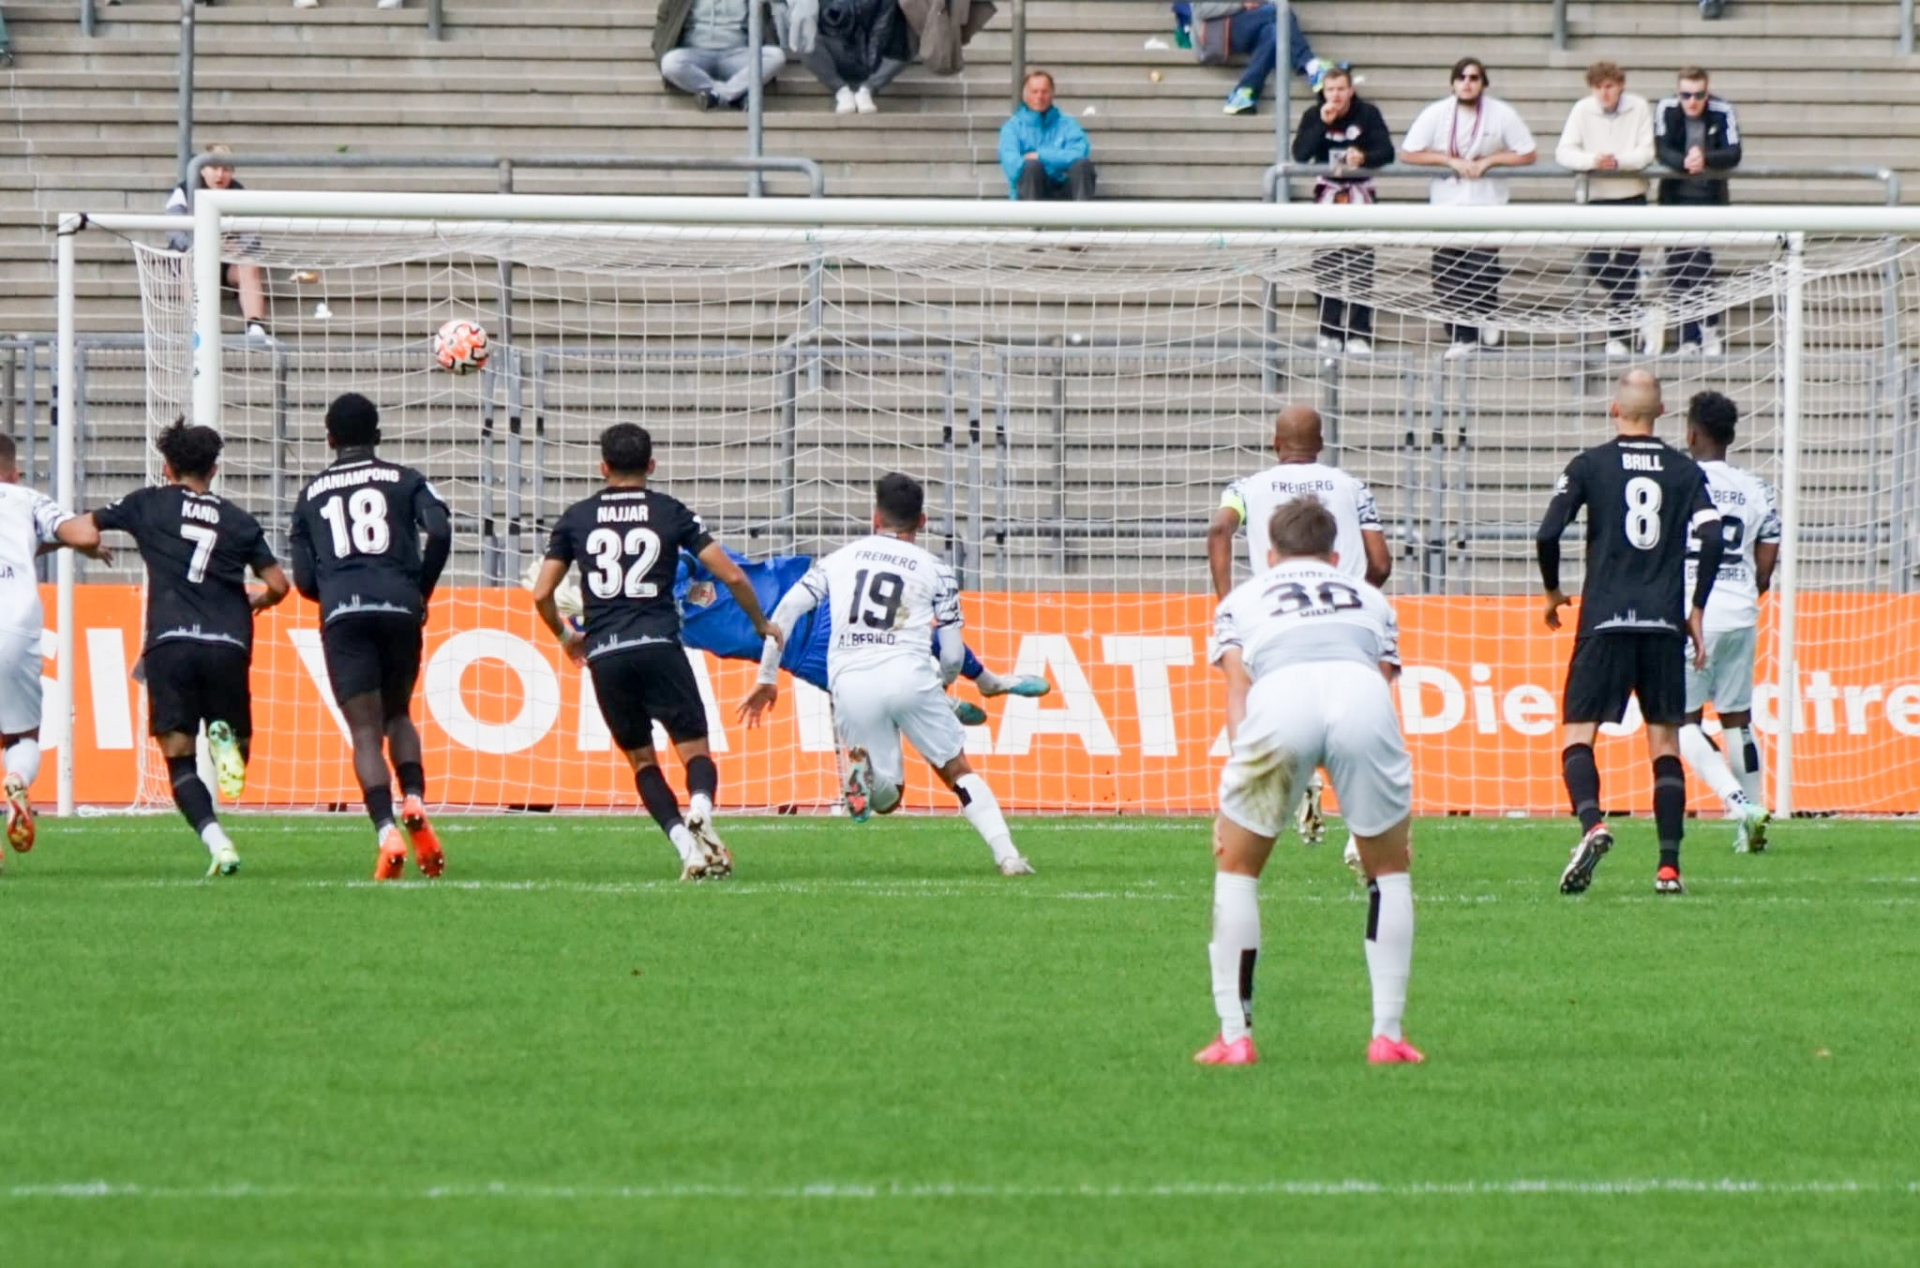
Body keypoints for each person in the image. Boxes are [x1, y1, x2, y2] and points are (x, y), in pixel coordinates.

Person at [1196, 497, 1421, 1067]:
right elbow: (1382, 679)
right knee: (1390, 871)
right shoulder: (1373, 599)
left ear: (1271, 555)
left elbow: (1238, 688)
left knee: (1237, 868)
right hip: (1362, 696)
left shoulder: (1241, 599)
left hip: (1281, 697)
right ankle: (1387, 1036)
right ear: (1336, 555)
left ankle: (1235, 1036)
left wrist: (1239, 778)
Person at [738, 473, 1035, 877]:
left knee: (887, 798)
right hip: (909, 676)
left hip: (850, 682)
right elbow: (951, 655)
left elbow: (786, 611)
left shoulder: (839, 559)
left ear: (875, 517)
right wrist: (941, 685)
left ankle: (864, 775)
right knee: (956, 771)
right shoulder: (937, 570)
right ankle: (1008, 856)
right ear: (923, 521)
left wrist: (767, 676)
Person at [531, 424, 775, 882]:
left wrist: (567, 638)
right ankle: (700, 808)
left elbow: (542, 593)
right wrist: (761, 624)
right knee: (695, 750)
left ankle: (687, 850)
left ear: (602, 467)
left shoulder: (576, 518)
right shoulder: (669, 511)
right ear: (651, 465)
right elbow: (734, 576)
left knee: (642, 762)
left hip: (606, 653)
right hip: (660, 646)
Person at [1536, 369, 1724, 897]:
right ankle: (1668, 868)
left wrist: (1552, 591)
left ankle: (1592, 823)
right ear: (1662, 413)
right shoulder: (1684, 470)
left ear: (1614, 410)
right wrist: (1696, 609)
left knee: (1579, 735)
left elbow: (1548, 532)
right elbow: (1712, 536)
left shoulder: (1590, 464)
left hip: (1605, 620)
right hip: (1662, 623)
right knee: (1664, 743)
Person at [79, 422, 290, 877]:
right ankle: (226, 744)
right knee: (236, 752)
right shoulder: (239, 520)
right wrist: (259, 600)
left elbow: (83, 527)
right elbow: (278, 583)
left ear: (166, 467)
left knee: (179, 761)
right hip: (227, 644)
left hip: (170, 643)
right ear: (214, 469)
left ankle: (218, 844)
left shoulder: (147, 503)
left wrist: (89, 546)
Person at [1207, 404, 1391, 851]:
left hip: (1275, 619)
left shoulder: (1244, 488)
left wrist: (1229, 603)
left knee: (1256, 697)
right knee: (1356, 717)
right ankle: (1362, 832)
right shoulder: (1352, 487)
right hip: (1347, 621)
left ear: (1275, 443)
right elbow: (1381, 563)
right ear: (1321, 444)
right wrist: (1357, 597)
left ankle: (1273, 783)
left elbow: (1218, 531)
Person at [289, 393, 453, 881]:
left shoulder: (311, 494)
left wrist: (336, 593)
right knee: (398, 713)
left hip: (344, 611)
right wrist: (420, 589)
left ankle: (385, 831)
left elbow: (303, 581)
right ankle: (415, 799)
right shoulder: (406, 479)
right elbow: (441, 530)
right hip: (400, 605)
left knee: (365, 730)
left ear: (330, 439)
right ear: (378, 436)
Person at [673, 545, 1050, 720]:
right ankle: (942, 704)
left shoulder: (680, 565)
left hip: (811, 606)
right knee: (876, 699)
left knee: (913, 634)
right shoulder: (666, 629)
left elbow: (696, 556)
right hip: (801, 658)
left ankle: (988, 680)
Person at [1674, 392, 1777, 853]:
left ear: (1692, 433)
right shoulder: (1757, 488)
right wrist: (1744, 593)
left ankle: (1739, 806)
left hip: (1692, 612)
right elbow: (1766, 564)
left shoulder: (1678, 480)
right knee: (1737, 719)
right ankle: (1750, 827)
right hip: (1740, 611)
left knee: (1679, 722)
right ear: (1731, 437)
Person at [0, 434, 108, 860]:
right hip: (14, 624)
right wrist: (87, 545)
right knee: (21, 735)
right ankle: (16, 780)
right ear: (13, 472)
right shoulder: (26, 500)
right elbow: (82, 533)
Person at [1400, 57, 1537, 358]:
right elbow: (1409, 152)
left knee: (1482, 269)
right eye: (1461, 77)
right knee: (1446, 273)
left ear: (1483, 83)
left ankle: (1478, 323)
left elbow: (1527, 153)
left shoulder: (1501, 113)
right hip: (1446, 204)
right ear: (1452, 83)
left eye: (1474, 78)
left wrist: (1490, 161)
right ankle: (1462, 332)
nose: (1467, 83)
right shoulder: (1436, 113)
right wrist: (1448, 161)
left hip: (1487, 203)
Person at [1290, 64, 1393, 355]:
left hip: (1359, 192)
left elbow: (1387, 151)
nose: (1335, 95)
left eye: (1340, 89)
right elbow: (1300, 154)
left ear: (1351, 90)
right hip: (1328, 193)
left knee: (1361, 264)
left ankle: (1359, 332)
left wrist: (1363, 157)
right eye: (1330, 90)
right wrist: (1323, 125)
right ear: (1323, 92)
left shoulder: (1368, 114)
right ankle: (1329, 330)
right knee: (1326, 264)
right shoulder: (1313, 115)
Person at [1555, 62, 1655, 358]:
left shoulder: (1638, 107)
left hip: (1631, 195)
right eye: (1598, 87)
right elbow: (1564, 151)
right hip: (1596, 198)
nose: (1604, 93)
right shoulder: (1582, 109)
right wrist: (1592, 161)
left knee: (1626, 265)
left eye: (1609, 86)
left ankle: (1618, 337)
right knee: (1596, 263)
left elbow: (1647, 152)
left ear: (1620, 85)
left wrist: (1618, 162)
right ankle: (1638, 309)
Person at [1655, 67, 1742, 356]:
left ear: (1707, 93)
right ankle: (1688, 337)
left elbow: (1733, 152)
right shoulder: (1666, 108)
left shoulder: (1722, 109)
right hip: (1675, 199)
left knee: (1700, 264)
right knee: (1677, 267)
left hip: (1708, 199)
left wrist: (1705, 159)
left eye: (1698, 95)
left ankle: (1708, 328)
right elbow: (1661, 148)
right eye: (1686, 95)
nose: (1692, 101)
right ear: (1677, 93)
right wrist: (1684, 162)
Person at [165, 144, 271, 342]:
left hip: (227, 259)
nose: (220, 175)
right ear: (202, 170)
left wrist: (238, 249)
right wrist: (204, 245)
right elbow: (173, 229)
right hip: (193, 255)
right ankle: (197, 324)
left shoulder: (239, 193)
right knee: (187, 264)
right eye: (214, 168)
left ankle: (255, 325)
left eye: (226, 169)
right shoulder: (184, 191)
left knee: (249, 265)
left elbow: (252, 234)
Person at [1179, 3, 1326, 117]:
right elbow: (1200, 10)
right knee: (1279, 11)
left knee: (1274, 32)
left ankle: (1243, 92)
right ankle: (1311, 65)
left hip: (1244, 24)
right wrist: (1241, 4)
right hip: (1213, 34)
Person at [654, 0, 787, 112]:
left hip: (738, 55)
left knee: (776, 56)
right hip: (695, 54)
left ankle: (717, 95)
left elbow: (767, 23)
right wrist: (660, 48)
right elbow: (663, 21)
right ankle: (735, 93)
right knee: (669, 63)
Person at [787, 0, 911, 115]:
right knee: (804, 38)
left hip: (871, 54)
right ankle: (842, 91)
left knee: (907, 46)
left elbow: (881, 31)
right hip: (838, 49)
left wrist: (870, 61)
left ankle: (866, 90)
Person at [998, 68, 1095, 202]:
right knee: (1031, 167)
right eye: (1034, 92)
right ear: (1025, 96)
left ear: (1052, 94)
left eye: (1044, 91)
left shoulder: (1067, 124)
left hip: (1065, 189)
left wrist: (1041, 156)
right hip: (1031, 191)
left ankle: (1081, 215)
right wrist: (1054, 163)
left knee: (1082, 165)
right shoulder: (1012, 127)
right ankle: (1031, 217)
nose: (1039, 97)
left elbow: (1080, 153)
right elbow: (1012, 167)